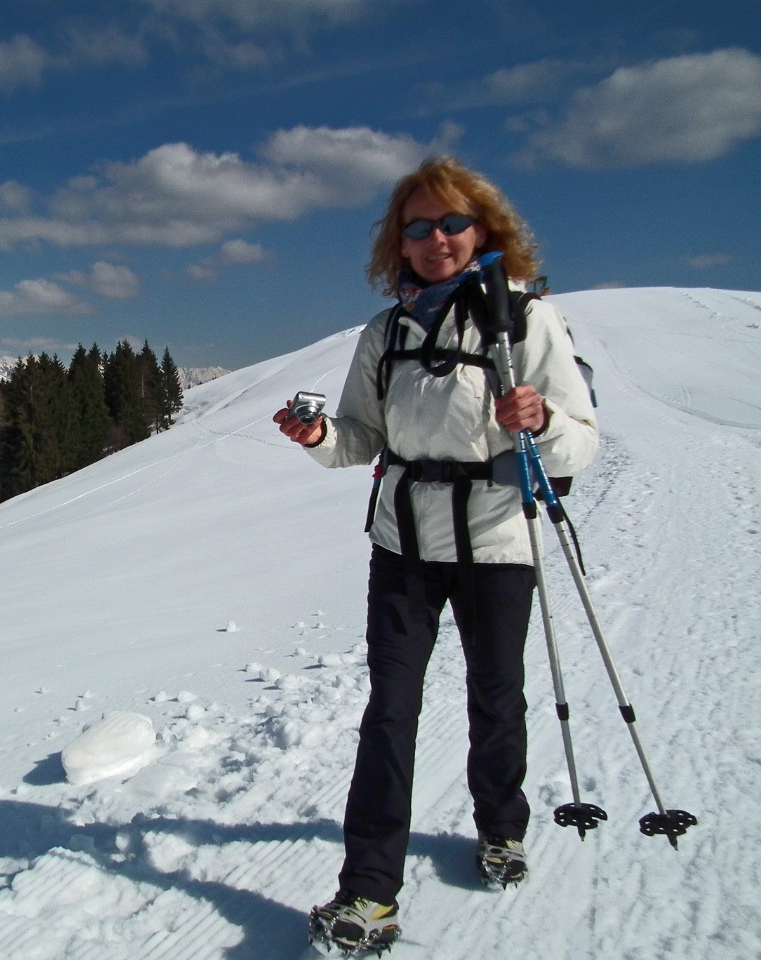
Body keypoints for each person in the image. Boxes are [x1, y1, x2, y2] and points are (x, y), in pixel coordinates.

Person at [275, 155, 598, 953]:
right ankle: (368, 893)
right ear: (399, 241)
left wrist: (541, 418)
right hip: (404, 545)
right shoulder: (385, 333)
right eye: (417, 226)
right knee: (389, 713)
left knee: (497, 696)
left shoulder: (526, 320)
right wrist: (320, 437)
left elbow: (580, 443)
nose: (436, 238)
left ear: (483, 229)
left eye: (452, 222)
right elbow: (362, 436)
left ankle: (502, 828)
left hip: (496, 541)